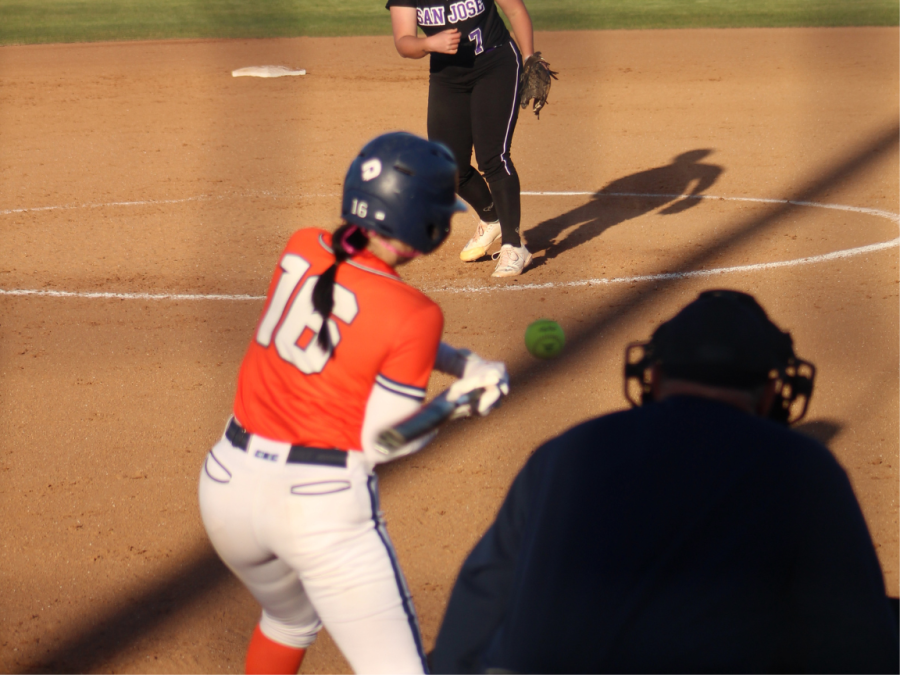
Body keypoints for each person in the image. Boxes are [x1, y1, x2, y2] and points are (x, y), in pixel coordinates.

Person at [430, 289, 900, 674]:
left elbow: (472, 616)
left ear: (651, 376)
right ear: (775, 392)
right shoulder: (805, 467)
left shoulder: (563, 453)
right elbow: (861, 647)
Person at [198, 132, 510, 675]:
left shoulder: (301, 246)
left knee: (289, 620)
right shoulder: (414, 313)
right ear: (427, 227)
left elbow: (351, 324)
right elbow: (383, 442)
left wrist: (457, 361)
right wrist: (457, 402)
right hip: (317, 510)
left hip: (225, 487)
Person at [386, 0, 541, 278]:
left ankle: (514, 246)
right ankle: (491, 217)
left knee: (493, 156)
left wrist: (529, 58)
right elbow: (403, 42)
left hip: (496, 64)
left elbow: (515, 9)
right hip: (448, 77)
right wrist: (429, 44)